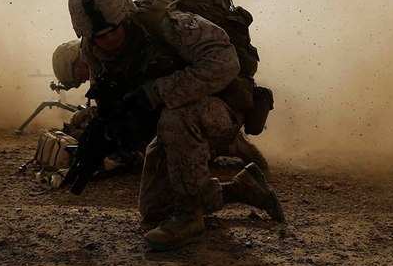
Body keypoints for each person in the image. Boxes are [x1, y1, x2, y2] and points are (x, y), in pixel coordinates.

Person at [68, 0, 284, 251]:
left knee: (176, 116)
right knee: (154, 209)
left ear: (125, 15)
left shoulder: (171, 25)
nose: (108, 40)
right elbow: (111, 99)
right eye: (100, 36)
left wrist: (156, 92)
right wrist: (103, 134)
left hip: (220, 109)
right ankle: (244, 188)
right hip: (175, 122)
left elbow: (225, 63)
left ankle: (189, 216)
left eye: (113, 31)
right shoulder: (93, 50)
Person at [52, 39, 269, 171]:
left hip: (182, 101)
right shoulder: (102, 61)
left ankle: (232, 145)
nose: (81, 81)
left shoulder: (107, 59)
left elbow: (129, 98)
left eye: (77, 75)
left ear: (76, 59)